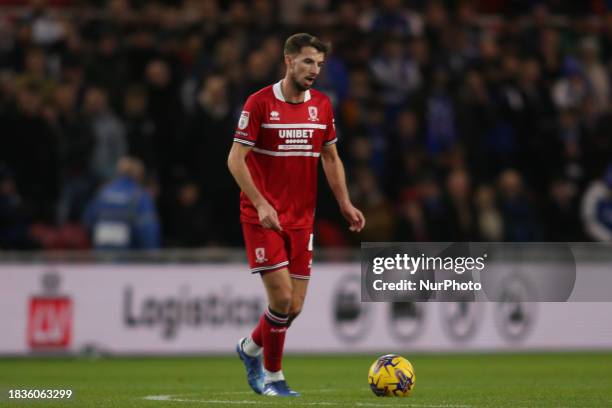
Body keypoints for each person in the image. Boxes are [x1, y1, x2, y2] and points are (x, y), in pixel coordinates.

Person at [227, 33, 365, 397]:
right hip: (263, 216)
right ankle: (273, 378)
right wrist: (259, 202)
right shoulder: (258, 103)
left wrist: (345, 203)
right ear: (288, 60)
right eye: (307, 62)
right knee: (282, 299)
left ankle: (250, 348)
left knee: (295, 307)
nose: (314, 70)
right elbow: (234, 160)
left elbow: (331, 158)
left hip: (302, 218)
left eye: (319, 64)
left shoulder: (322, 105)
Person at [83, 156, 160, 250]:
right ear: (139, 174)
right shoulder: (140, 197)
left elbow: (87, 222)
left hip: (101, 257)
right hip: (129, 259)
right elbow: (148, 233)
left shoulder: (103, 193)